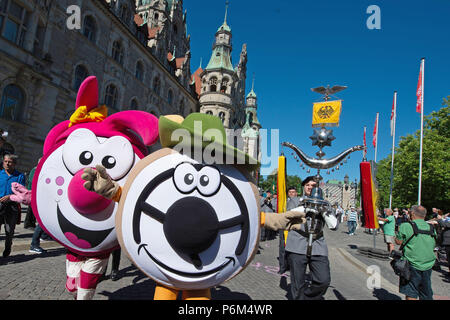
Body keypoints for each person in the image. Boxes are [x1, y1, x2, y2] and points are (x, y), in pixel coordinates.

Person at [284, 176, 338, 300]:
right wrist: (306, 206)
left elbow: (334, 226)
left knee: (323, 280)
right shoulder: (295, 200)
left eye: (313, 185)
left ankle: (308, 297)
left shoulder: (325, 203)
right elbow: (288, 215)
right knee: (297, 283)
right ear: (303, 187)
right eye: (307, 185)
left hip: (318, 245)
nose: (310, 187)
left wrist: (322, 209)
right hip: (297, 243)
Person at [395, 205, 436, 300]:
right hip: (428, 263)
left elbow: (398, 242)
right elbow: (433, 243)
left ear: (412, 214)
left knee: (411, 291)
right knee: (426, 291)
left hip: (411, 263)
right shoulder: (431, 227)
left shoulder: (406, 226)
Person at [0, 154, 25, 257]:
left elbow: (22, 193)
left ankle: (7, 248)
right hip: (0, 204)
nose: (7, 164)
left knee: (9, 230)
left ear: (14, 164)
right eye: (5, 161)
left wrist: (10, 196)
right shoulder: (0, 174)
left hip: (12, 206)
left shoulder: (20, 176)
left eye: (9, 162)